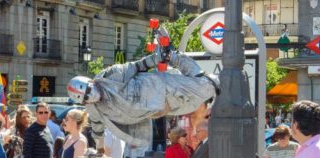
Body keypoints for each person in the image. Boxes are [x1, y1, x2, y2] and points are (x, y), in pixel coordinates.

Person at [66, 28, 219, 150]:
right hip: (160, 108)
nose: (90, 96)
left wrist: (157, 58)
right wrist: (99, 150)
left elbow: (137, 66)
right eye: (86, 98)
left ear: (91, 82)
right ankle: (173, 55)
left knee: (208, 86)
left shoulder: (109, 77)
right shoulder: (94, 108)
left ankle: (172, 55)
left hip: (161, 88)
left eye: (88, 90)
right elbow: (97, 127)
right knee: (196, 100)